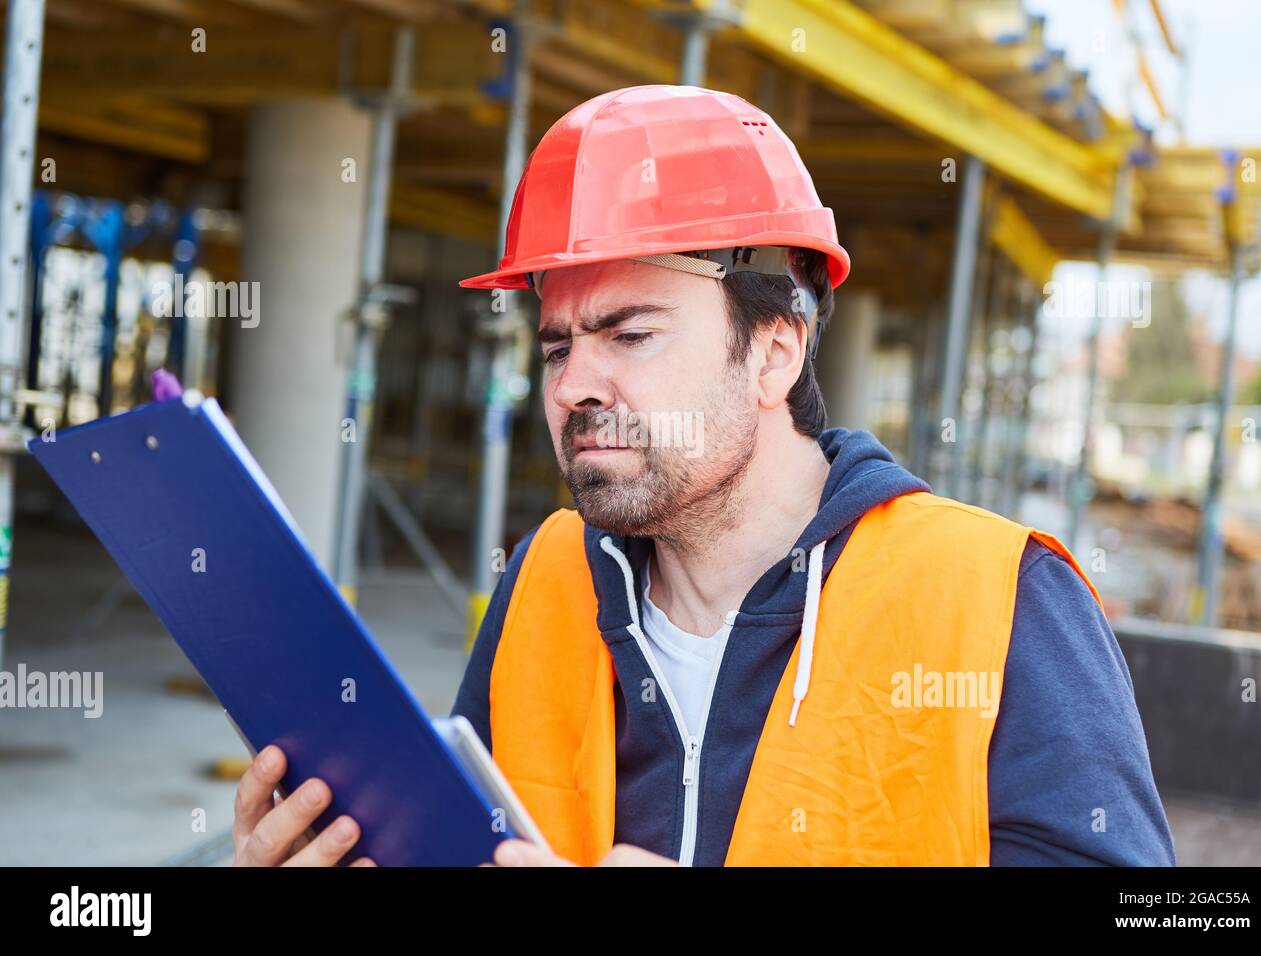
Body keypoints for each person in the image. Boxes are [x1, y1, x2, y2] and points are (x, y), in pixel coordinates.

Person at [233, 85, 1175, 868]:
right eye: (557, 345)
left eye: (631, 334)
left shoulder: (997, 597)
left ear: (774, 354)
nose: (573, 386)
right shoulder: (547, 578)